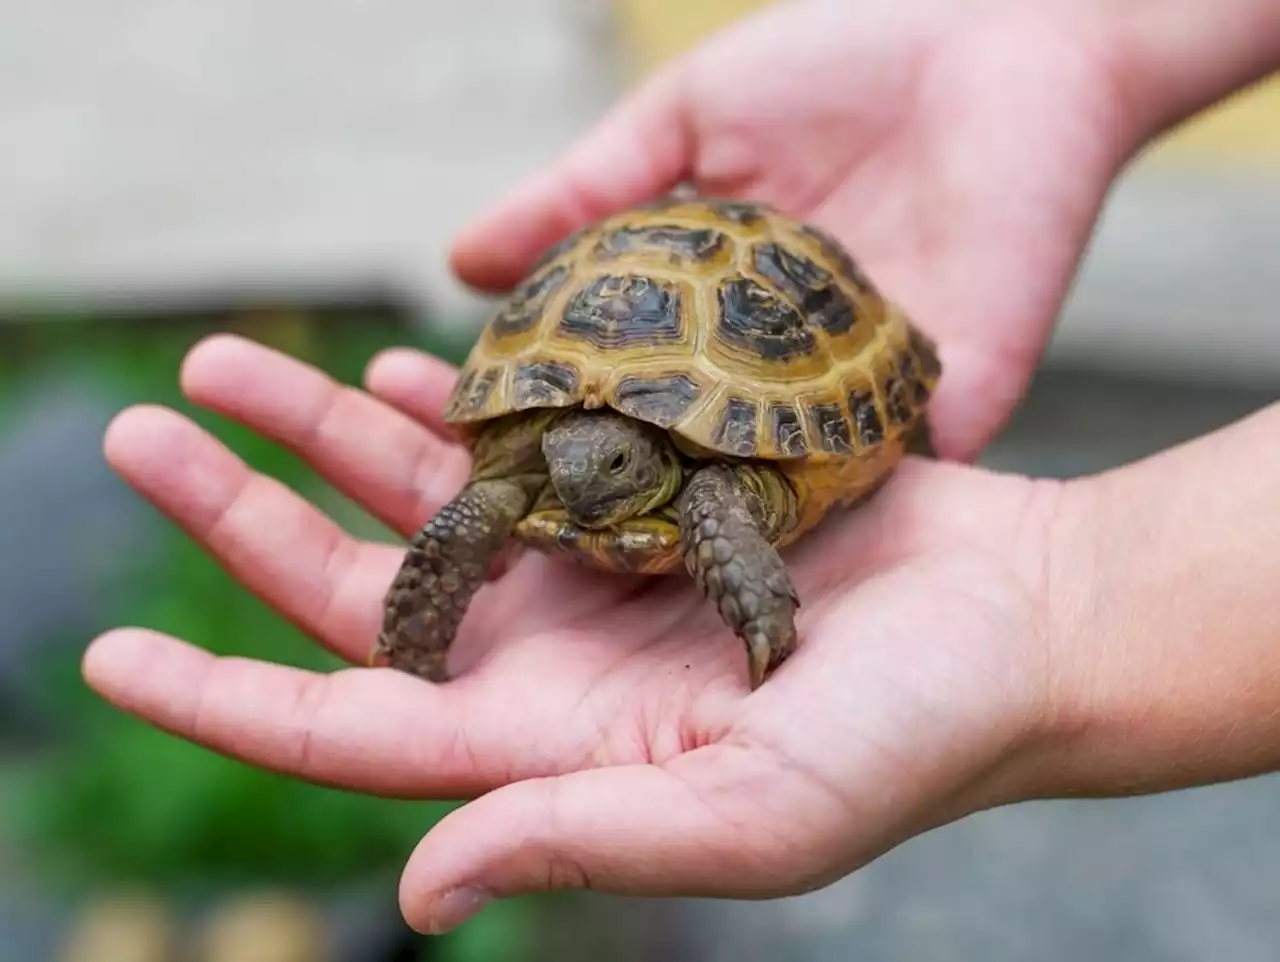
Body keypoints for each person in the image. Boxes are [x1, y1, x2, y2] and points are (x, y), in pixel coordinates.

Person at [82, 0, 1280, 936]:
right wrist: (422, 625)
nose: (569, 477)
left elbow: (707, 494)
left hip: (752, 377)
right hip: (597, 339)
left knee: (705, 502)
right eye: (555, 457)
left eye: (593, 464)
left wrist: (785, 607)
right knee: (468, 517)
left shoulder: (714, 482)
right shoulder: (538, 465)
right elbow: (476, 510)